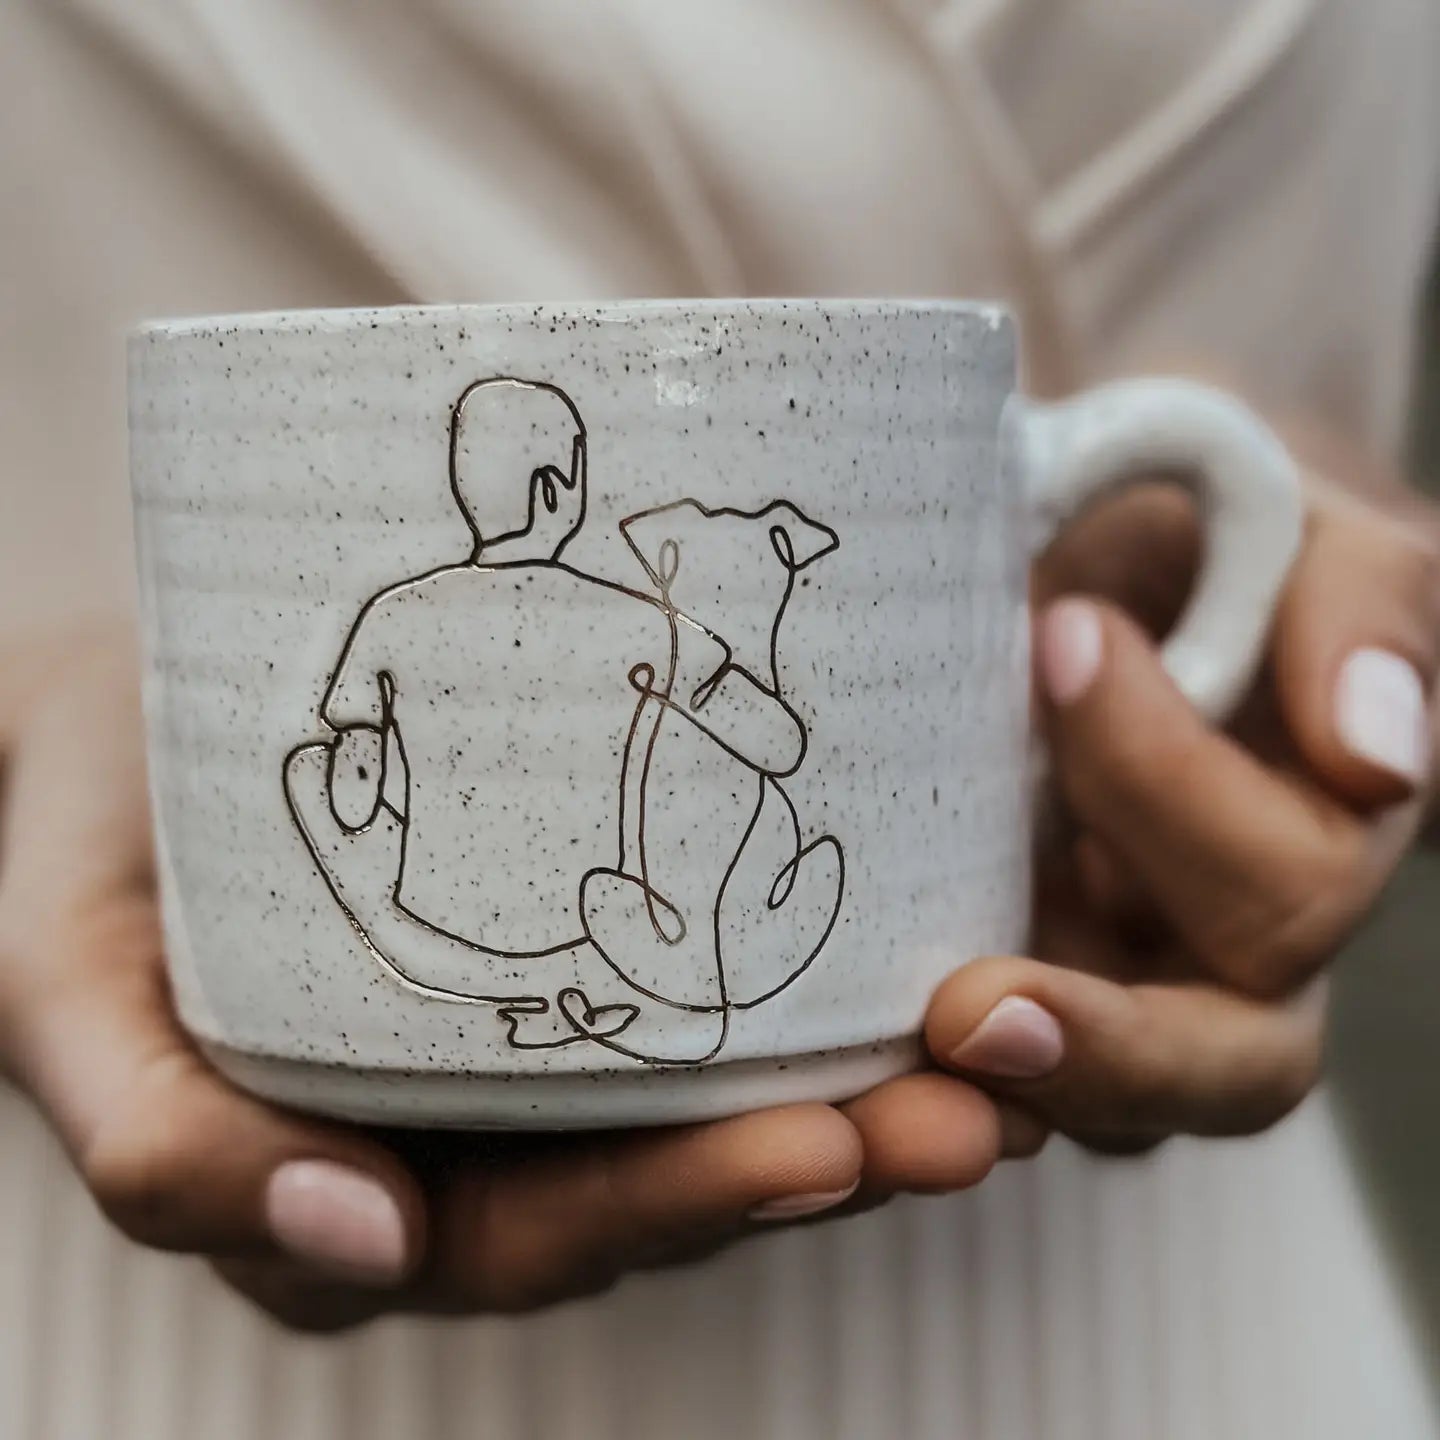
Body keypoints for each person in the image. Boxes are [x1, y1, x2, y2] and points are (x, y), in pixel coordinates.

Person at [2, 2, 1438, 1437]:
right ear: (567, 496)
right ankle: (678, 972)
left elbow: (338, 744)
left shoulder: (385, 617)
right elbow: (770, 742)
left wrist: (1353, 645)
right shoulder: (640, 623)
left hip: (1211, 1309)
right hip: (164, 1315)